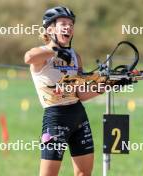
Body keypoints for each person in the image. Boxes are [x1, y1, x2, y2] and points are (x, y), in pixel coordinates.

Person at [24, 6, 103, 176]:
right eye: (63, 23)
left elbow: (81, 93)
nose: (68, 27)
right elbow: (28, 57)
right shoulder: (43, 55)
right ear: (50, 29)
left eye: (71, 24)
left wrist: (107, 86)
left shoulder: (75, 56)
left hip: (78, 115)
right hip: (56, 117)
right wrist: (56, 51)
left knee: (84, 174)